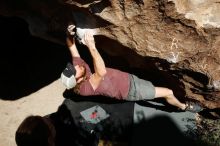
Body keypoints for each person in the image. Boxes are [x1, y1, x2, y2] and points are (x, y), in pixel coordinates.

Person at [61, 24, 203, 113]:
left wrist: (69, 34)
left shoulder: (78, 68)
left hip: (128, 78)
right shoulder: (85, 89)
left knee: (152, 83)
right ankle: (183, 107)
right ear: (78, 79)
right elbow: (101, 72)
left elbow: (71, 46)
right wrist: (92, 47)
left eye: (72, 67)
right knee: (168, 92)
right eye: (75, 70)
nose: (76, 66)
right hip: (131, 90)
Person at [15, 98, 134, 146]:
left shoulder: (74, 113)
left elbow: (103, 112)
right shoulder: (73, 116)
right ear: (50, 141)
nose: (45, 117)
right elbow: (101, 113)